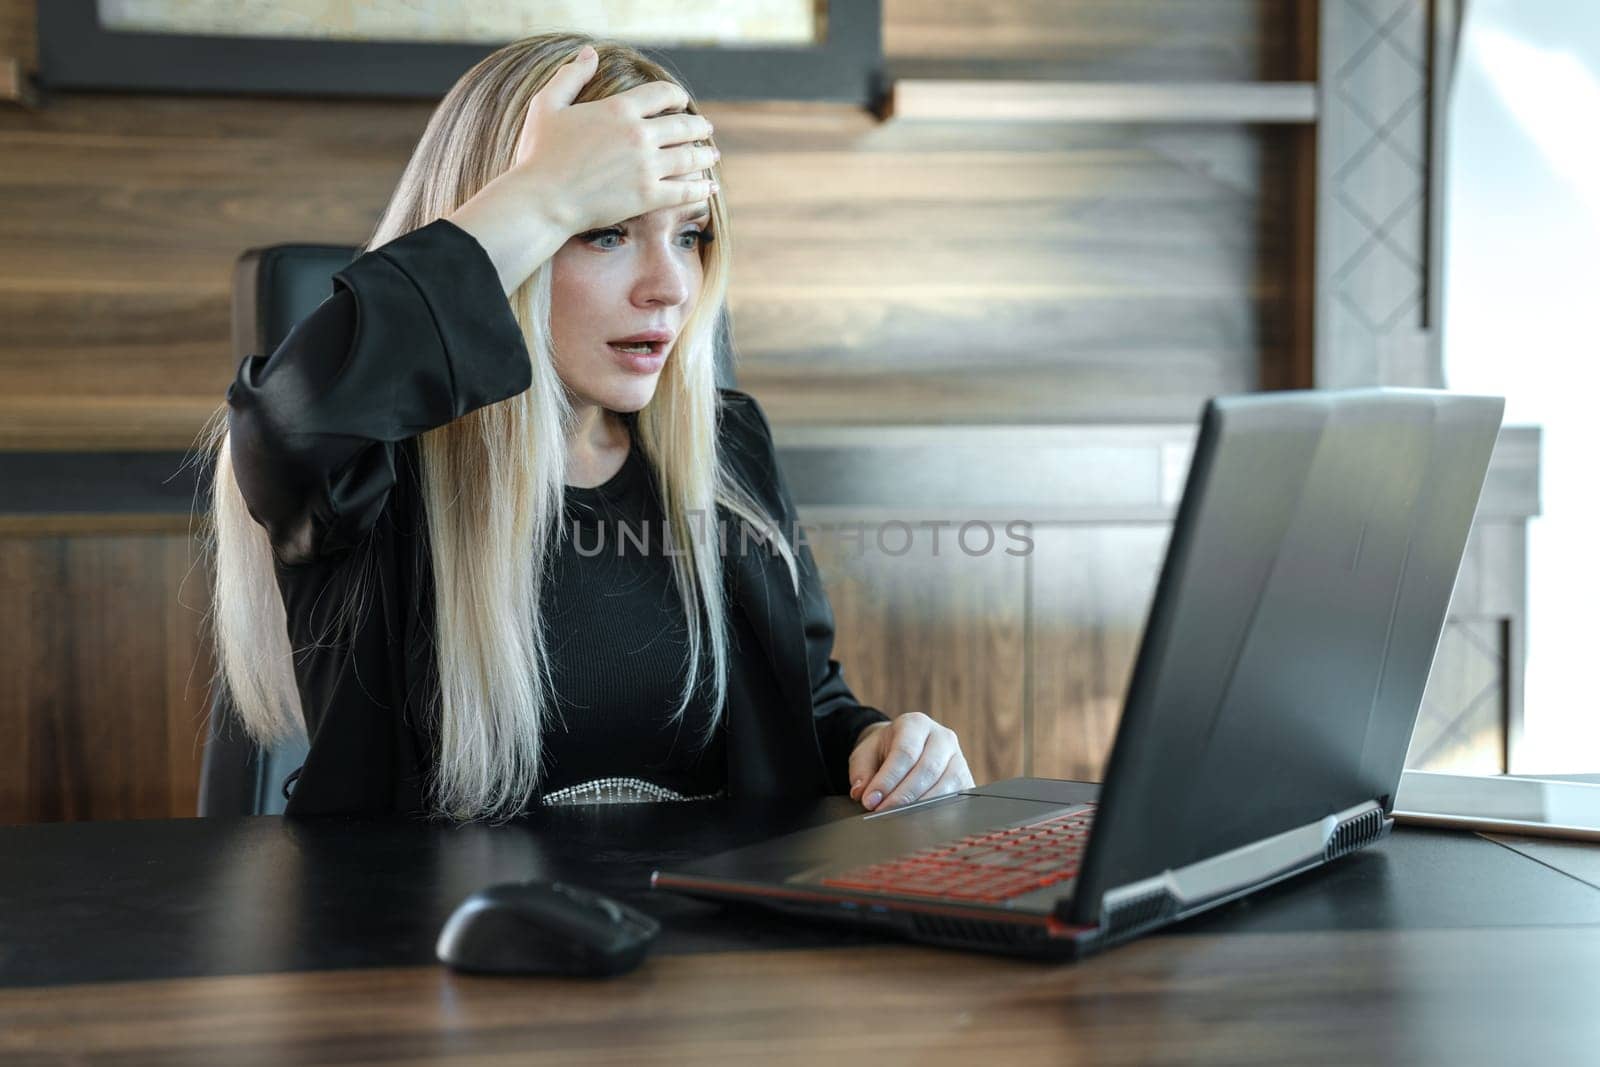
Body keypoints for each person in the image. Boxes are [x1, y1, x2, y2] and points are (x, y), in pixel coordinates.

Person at [202, 32, 975, 822]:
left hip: (708, 939)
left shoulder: (728, 444)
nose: (670, 285)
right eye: (604, 230)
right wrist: (542, 193)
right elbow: (285, 422)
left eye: (690, 235)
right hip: (426, 942)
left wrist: (876, 743)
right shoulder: (370, 470)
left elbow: (800, 708)